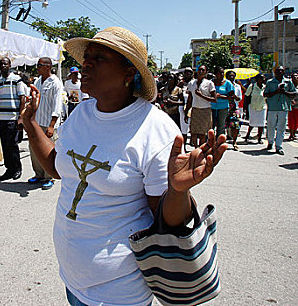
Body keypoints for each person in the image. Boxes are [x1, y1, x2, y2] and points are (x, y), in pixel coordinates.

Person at [21, 27, 227, 306]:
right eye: (87, 57)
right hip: (72, 279)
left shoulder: (154, 128)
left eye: (100, 58)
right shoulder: (80, 114)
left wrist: (178, 190)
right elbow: (58, 168)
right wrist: (30, 123)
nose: (86, 64)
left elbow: (167, 222)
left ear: (129, 75)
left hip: (119, 290)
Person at [27, 57, 63, 190]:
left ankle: (49, 177)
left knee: (48, 152)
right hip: (36, 122)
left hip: (48, 123)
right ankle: (39, 174)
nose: (37, 67)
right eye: (37, 64)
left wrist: (52, 126)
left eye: (40, 65)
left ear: (48, 66)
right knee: (34, 149)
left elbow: (57, 106)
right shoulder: (37, 81)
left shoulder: (55, 83)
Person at [0, 57, 26, 180]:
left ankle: (17, 168)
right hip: (2, 118)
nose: (3, 66)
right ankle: (9, 169)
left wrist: (21, 117)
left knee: (12, 144)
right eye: (1, 64)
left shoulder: (17, 80)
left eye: (5, 63)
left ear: (10, 65)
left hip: (13, 117)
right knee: (4, 145)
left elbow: (22, 99)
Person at [264, 66, 297, 155]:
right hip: (272, 107)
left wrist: (285, 92)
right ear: (275, 72)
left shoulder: (288, 82)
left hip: (284, 107)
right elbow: (265, 94)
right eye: (278, 71)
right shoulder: (270, 82)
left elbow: (294, 93)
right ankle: (270, 142)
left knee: (281, 128)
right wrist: (276, 91)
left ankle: (279, 146)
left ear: (284, 72)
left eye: (282, 71)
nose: (280, 73)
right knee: (271, 126)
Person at [185, 65, 217, 147]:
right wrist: (186, 112)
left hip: (205, 110)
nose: (201, 71)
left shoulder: (209, 83)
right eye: (199, 70)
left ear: (206, 72)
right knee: (194, 132)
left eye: (203, 70)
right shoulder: (192, 83)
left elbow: (214, 99)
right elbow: (190, 99)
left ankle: (201, 149)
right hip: (195, 109)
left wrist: (201, 95)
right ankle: (196, 148)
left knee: (203, 133)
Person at [211, 67, 234, 137]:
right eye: (219, 73)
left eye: (222, 72)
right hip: (211, 107)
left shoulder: (228, 83)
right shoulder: (211, 82)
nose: (221, 74)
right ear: (215, 74)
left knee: (221, 127)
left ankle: (219, 143)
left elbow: (231, 97)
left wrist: (220, 96)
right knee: (211, 126)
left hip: (223, 107)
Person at [243, 74, 266, 144]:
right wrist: (246, 109)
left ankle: (259, 138)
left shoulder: (265, 87)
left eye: (262, 79)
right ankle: (247, 135)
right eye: (260, 79)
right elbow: (246, 97)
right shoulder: (252, 87)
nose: (261, 80)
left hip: (262, 107)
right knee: (252, 123)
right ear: (256, 79)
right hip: (253, 107)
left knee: (261, 123)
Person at [178, 68, 193, 152]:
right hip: (182, 107)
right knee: (184, 128)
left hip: (193, 107)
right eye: (186, 73)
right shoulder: (181, 84)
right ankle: (183, 147)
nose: (188, 74)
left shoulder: (194, 83)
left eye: (189, 73)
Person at [287, 72, 298, 141]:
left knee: (296, 121)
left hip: (297, 106)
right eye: (293, 77)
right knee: (291, 121)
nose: (295, 78)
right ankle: (291, 134)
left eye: (296, 76)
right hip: (290, 106)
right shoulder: (289, 86)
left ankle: (294, 133)